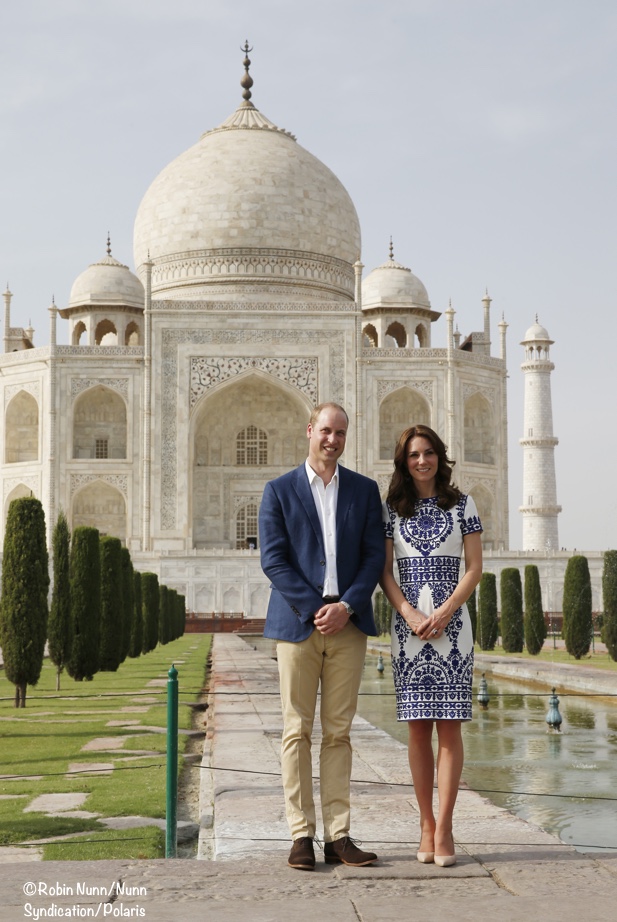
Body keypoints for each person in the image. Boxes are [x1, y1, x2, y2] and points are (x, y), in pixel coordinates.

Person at [259, 402, 385, 871]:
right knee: (296, 730)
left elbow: (374, 558)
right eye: (326, 431)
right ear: (310, 430)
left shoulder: (364, 490)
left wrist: (346, 606)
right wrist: (318, 609)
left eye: (341, 433)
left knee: (339, 732)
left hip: (348, 623)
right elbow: (274, 561)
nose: (333, 439)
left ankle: (339, 835)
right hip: (298, 623)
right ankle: (300, 835)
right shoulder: (278, 491)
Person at [379, 424, 482, 867]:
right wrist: (410, 613)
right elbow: (385, 572)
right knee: (418, 728)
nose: (422, 461)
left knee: (450, 728)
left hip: (453, 628)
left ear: (440, 456)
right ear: (403, 462)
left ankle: (445, 826)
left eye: (429, 453)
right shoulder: (392, 509)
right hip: (409, 628)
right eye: (413, 455)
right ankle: (424, 824)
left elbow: (474, 568)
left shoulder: (463, 505)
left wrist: (444, 613)